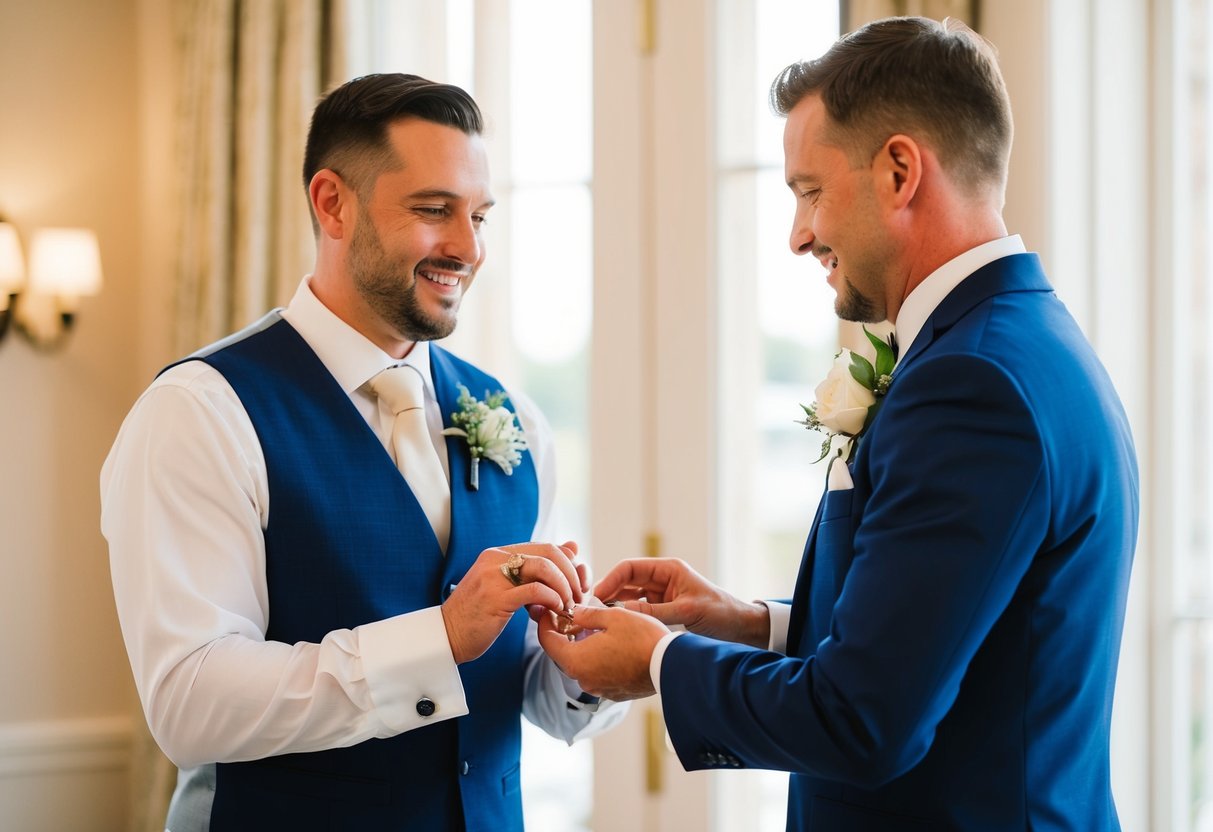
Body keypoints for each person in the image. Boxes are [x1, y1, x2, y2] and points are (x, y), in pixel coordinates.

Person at [540, 17, 1138, 831]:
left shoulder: (971, 382)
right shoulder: (1022, 341)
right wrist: (752, 624)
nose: (798, 235)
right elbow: (963, 638)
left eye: (809, 192)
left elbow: (863, 721)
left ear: (898, 171)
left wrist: (658, 659)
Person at [101, 73, 623, 832]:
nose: (468, 248)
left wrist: (591, 666)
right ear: (332, 203)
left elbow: (517, 690)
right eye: (434, 210)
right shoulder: (201, 411)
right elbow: (190, 704)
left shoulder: (518, 419)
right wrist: (440, 638)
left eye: (479, 216)